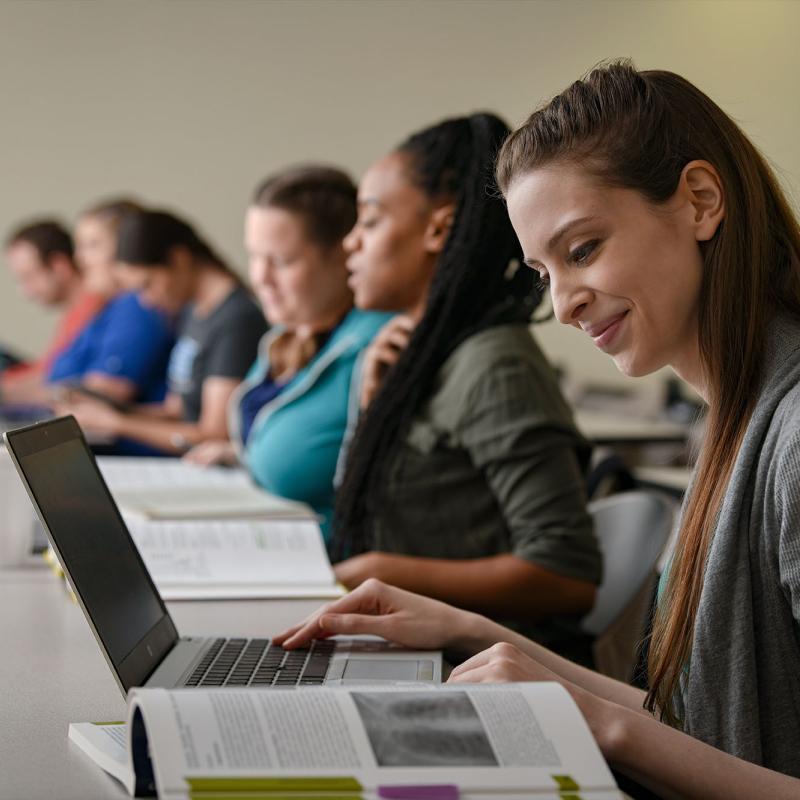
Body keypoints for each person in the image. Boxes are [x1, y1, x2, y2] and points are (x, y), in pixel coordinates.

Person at [277, 62, 800, 798]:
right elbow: (689, 724)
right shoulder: (737, 414)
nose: (562, 307)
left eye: (582, 249)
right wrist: (464, 628)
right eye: (544, 272)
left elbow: (660, 732)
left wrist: (603, 726)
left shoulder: (792, 435)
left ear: (701, 202)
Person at [329, 113, 600, 662]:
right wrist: (372, 406)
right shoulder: (418, 358)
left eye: (371, 220)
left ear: (437, 228)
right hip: (422, 654)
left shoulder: (493, 363)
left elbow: (566, 573)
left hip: (490, 672)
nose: (350, 244)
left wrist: (380, 572)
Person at [185, 166, 391, 542]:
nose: (260, 277)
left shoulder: (378, 344)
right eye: (254, 256)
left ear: (343, 254)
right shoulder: (288, 332)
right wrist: (240, 451)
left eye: (281, 261)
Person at [62, 209, 267, 454]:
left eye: (147, 284)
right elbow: (176, 411)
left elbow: (214, 434)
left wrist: (117, 423)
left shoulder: (236, 319)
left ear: (179, 259)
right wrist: (106, 410)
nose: (146, 301)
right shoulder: (193, 311)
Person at [47, 199, 175, 406]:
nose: (79, 259)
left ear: (127, 247)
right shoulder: (110, 309)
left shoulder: (137, 305)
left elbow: (104, 392)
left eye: (92, 245)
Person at [1, 220, 104, 404]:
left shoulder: (93, 309)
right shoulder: (73, 314)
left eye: (29, 277)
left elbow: (51, 379)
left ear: (59, 265)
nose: (26, 292)